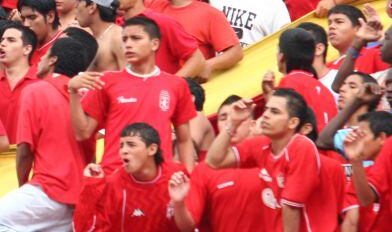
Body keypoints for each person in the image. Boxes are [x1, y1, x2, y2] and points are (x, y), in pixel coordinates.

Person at [0, 37, 88, 231]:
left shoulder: (36, 90)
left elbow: (24, 149)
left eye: (44, 56)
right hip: (78, 197)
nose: (38, 61)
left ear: (52, 60)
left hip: (49, 188)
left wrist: (23, 185)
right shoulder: (83, 96)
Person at [69, 16, 197, 174]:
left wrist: (190, 178)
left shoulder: (176, 85)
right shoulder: (106, 81)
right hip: (115, 178)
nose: (128, 44)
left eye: (136, 38)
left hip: (158, 182)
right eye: (125, 39)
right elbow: (83, 133)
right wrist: (73, 92)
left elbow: (184, 140)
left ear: (154, 44)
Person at [206, 90, 330, 231]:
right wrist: (233, 123)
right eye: (266, 109)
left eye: (275, 111)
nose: (265, 115)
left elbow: (290, 207)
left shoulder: (301, 147)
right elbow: (214, 161)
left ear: (292, 122)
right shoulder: (261, 144)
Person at [75, 122, 184, 230]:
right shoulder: (114, 184)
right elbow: (82, 229)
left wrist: (180, 203)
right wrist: (91, 186)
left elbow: (195, 222)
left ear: (152, 149)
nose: (123, 151)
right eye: (121, 146)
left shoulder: (178, 175)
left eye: (131, 145)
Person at [148, 0, 242, 76]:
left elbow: (236, 52)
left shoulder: (209, 14)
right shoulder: (153, 6)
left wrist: (207, 66)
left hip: (188, 91)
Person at [67, 0, 125, 72]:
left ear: (92, 7)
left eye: (79, 2)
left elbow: (131, 78)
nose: (75, 7)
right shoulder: (89, 37)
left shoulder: (117, 37)